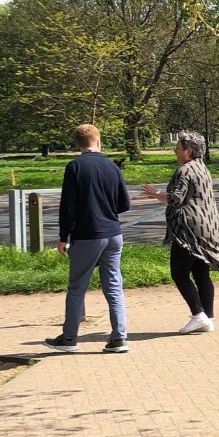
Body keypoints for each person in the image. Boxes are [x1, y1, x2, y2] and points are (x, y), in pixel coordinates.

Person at [142, 131, 219, 334]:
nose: (175, 150)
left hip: (187, 231)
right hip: (206, 228)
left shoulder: (184, 171)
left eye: (178, 147)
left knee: (179, 273)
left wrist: (159, 195)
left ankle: (198, 315)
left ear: (188, 151)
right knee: (201, 273)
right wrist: (160, 195)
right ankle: (208, 317)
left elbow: (175, 200)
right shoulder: (202, 168)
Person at [45, 124, 131, 353]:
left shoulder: (74, 167)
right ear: (98, 140)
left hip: (87, 235)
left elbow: (68, 206)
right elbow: (125, 203)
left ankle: (69, 339)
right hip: (113, 234)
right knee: (113, 286)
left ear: (77, 143)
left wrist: (63, 236)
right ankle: (119, 337)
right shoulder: (112, 166)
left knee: (77, 286)